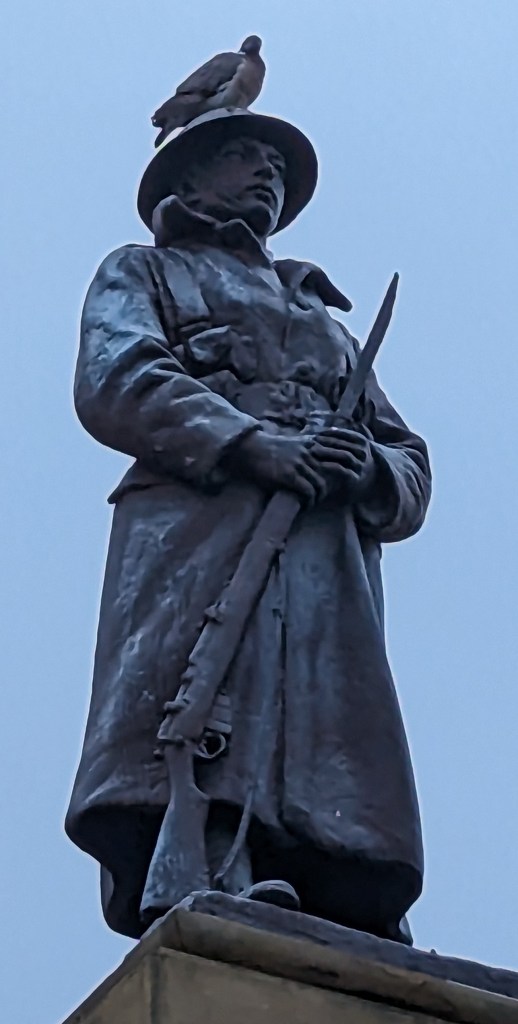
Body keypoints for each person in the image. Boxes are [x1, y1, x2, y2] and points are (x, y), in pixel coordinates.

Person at [65, 108, 431, 943]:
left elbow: (408, 458)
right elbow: (118, 377)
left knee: (324, 723)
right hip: (199, 529)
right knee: (204, 703)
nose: (266, 172)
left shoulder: (325, 322)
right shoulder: (147, 272)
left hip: (321, 549)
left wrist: (365, 469)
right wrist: (250, 443)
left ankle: (334, 886)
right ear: (187, 180)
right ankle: (208, 867)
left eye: (276, 163)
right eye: (241, 156)